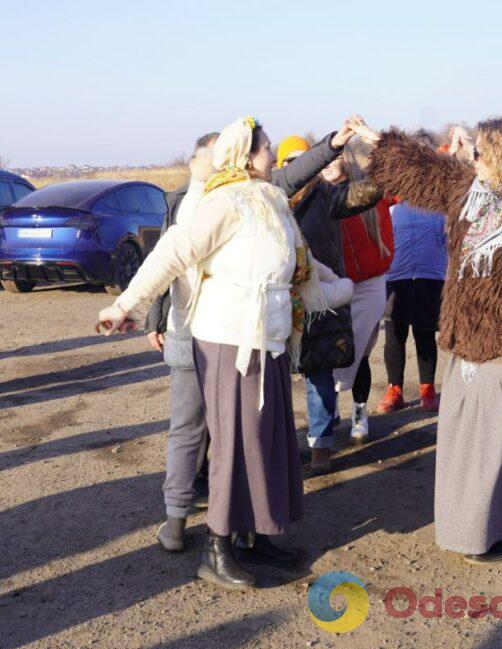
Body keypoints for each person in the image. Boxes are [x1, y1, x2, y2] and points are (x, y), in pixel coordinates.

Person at [97, 117, 353, 590]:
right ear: (245, 155)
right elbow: (173, 252)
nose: (273, 155)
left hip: (270, 341)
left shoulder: (270, 199)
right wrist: (125, 306)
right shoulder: (225, 202)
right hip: (228, 341)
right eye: (267, 149)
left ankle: (255, 535)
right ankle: (217, 549)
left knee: (268, 441)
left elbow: (300, 261)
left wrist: (341, 288)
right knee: (235, 444)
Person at [358, 116, 502, 563]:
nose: (471, 158)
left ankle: (492, 532)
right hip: (467, 343)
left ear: (501, 156)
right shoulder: (474, 192)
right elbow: (422, 172)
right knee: (474, 447)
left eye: (480, 152)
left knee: (499, 447)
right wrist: (376, 140)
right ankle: (488, 530)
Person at [278, 132, 382, 474]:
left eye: (302, 160)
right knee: (276, 379)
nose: (298, 168)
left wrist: (387, 162)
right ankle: (280, 446)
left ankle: (321, 446)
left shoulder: (326, 196)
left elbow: (364, 194)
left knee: (320, 373)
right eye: (290, 162)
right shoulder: (271, 199)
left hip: (322, 300)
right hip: (280, 299)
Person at [375, 131, 447, 415]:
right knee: (394, 333)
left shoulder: (440, 197)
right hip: (397, 275)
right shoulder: (391, 195)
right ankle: (395, 390)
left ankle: (427, 388)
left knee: (425, 333)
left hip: (430, 274)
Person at [326, 149, 395, 443]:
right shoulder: (318, 196)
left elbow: (397, 180)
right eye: (323, 160)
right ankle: (327, 415)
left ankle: (359, 413)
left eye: (333, 159)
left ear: (345, 159)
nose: (327, 166)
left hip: (370, 284)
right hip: (333, 283)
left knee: (361, 352)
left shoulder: (370, 190)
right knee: (328, 351)